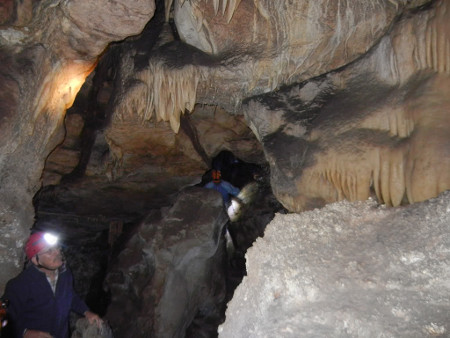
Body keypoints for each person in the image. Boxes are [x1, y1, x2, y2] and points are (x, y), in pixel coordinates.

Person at [2, 231, 102, 338]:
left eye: (57, 247)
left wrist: (86, 311)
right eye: (49, 251)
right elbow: (4, 317)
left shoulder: (65, 273)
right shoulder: (20, 285)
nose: (57, 252)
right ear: (36, 260)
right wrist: (25, 333)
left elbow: (70, 296)